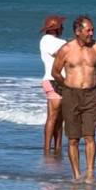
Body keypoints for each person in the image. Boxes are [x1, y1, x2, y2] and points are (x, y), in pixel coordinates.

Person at [51, 15, 96, 182]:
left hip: (90, 95)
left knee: (90, 136)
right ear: (77, 31)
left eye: (92, 29)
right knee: (73, 138)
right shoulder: (67, 49)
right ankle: (76, 175)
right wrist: (66, 84)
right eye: (88, 30)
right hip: (71, 95)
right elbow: (55, 71)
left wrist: (94, 86)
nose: (91, 33)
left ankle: (89, 173)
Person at [39, 15, 67, 154]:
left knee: (58, 118)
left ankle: (57, 147)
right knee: (53, 116)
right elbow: (61, 55)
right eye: (61, 26)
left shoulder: (53, 40)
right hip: (53, 79)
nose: (63, 28)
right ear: (57, 28)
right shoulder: (48, 40)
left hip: (56, 80)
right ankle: (47, 148)